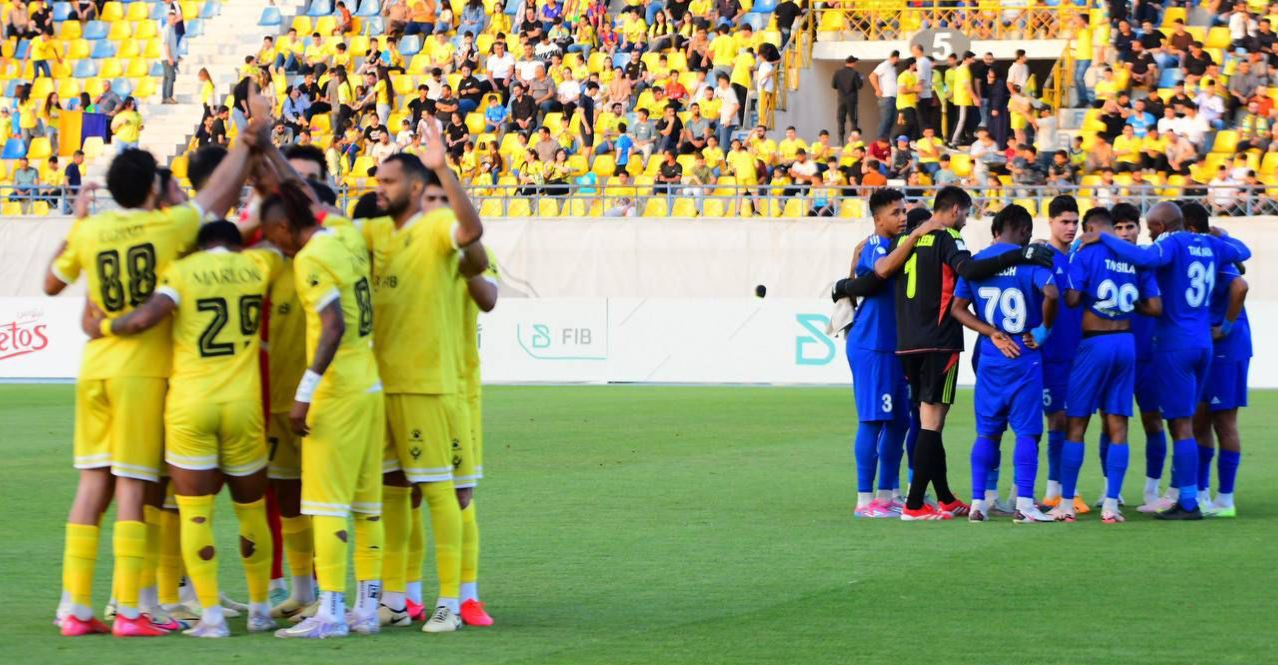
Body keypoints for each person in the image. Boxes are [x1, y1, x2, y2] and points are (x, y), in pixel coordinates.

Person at [45, 128, 258, 635]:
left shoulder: (91, 231)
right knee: (135, 487)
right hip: (140, 370)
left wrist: (75, 225)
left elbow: (52, 283)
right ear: (149, 191)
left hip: (95, 364)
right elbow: (219, 193)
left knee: (92, 482)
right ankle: (132, 612)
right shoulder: (167, 226)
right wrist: (249, 142)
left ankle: (73, 607)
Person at [81, 220, 285, 637]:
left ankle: (210, 617)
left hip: (191, 404)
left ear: (200, 245)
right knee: (251, 514)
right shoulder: (258, 263)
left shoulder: (184, 271)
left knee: (195, 516)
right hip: (244, 404)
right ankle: (261, 609)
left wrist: (102, 327)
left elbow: (145, 319)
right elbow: (272, 238)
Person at [834, 186, 1054, 520]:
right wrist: (1019, 255)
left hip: (905, 343)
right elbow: (967, 270)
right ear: (954, 211)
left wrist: (844, 284)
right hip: (936, 341)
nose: (966, 219)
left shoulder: (902, 243)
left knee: (913, 422)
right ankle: (909, 502)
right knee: (928, 424)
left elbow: (873, 277)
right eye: (966, 213)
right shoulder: (947, 237)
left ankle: (930, 496)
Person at [339, 136, 486, 631]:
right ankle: (397, 599)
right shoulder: (375, 233)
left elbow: (471, 232)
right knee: (391, 492)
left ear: (417, 185)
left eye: (388, 180)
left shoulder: (437, 226)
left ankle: (449, 601)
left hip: (428, 384)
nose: (379, 188)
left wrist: (445, 171)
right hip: (381, 385)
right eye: (377, 180)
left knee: (440, 491)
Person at [1077, 201, 1251, 520]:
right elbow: (1243, 254)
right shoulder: (1210, 243)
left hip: (1175, 344)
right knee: (1189, 422)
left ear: (1159, 227)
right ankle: (1186, 495)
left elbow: (1143, 257)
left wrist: (1103, 237)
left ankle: (1186, 502)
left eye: (1151, 226)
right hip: (1204, 342)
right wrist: (1220, 232)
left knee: (1181, 425)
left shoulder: (1170, 243)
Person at [949, 204, 1059, 523]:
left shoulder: (980, 261)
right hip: (1024, 353)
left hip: (991, 355)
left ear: (997, 230)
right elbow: (1051, 293)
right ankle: (1024, 503)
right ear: (1025, 231)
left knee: (987, 433)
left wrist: (991, 332)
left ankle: (978, 503)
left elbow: (958, 309)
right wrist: (1042, 330)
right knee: (1026, 432)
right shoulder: (1030, 259)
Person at [1053, 207, 1163, 524]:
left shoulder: (1086, 254)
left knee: (1076, 424)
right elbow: (1154, 306)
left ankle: (1066, 503)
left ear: (1089, 228)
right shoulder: (1134, 257)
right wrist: (1127, 304)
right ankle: (1112, 505)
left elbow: (1072, 300)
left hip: (1095, 342)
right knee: (1118, 425)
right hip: (1126, 342)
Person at [837, 189, 918, 518]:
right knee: (872, 421)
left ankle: (886, 495)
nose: (902, 218)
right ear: (878, 219)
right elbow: (881, 270)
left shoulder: (894, 245)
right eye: (896, 213)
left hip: (892, 347)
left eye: (904, 212)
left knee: (900, 420)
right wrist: (915, 237)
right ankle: (864, 500)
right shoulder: (876, 245)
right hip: (872, 345)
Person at [1185, 204, 1248, 519]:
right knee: (1199, 418)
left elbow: (1240, 285)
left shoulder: (1212, 249)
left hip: (1227, 347)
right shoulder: (1204, 249)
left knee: (1223, 420)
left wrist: (1225, 325)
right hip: (1206, 345)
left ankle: (1226, 498)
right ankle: (1200, 492)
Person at [1034, 196, 1085, 512]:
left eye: (1074, 222)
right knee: (1056, 421)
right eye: (1064, 222)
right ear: (1050, 221)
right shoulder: (1042, 257)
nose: (1070, 228)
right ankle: (1054, 490)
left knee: (1071, 422)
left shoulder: (1077, 259)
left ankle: (1064, 490)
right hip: (1049, 355)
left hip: (1076, 355)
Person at [832, 56, 862, 145]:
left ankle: (840, 141)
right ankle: (853, 141)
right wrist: (861, 78)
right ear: (853, 63)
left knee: (841, 120)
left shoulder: (837, 73)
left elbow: (833, 85)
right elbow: (859, 86)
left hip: (841, 99)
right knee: (853, 120)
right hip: (852, 100)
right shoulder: (855, 73)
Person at [869, 51, 899, 140]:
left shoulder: (892, 68)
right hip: (886, 97)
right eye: (897, 58)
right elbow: (872, 76)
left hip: (893, 97)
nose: (897, 60)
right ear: (893, 57)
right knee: (885, 120)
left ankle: (886, 140)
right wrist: (877, 89)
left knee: (891, 120)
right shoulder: (885, 65)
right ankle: (881, 140)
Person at [161, 9, 180, 104]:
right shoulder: (167, 29)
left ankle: (164, 97)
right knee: (171, 77)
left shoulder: (172, 29)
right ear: (169, 19)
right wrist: (170, 57)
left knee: (166, 78)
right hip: (167, 58)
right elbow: (166, 44)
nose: (174, 20)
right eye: (173, 19)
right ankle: (168, 96)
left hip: (170, 57)